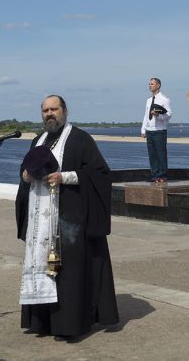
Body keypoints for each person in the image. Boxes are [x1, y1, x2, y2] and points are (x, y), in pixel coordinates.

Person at [15, 95, 119, 338]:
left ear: (65, 111)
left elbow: (101, 174)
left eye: (54, 109)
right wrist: (26, 177)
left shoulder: (80, 139)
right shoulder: (37, 140)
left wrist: (65, 177)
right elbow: (26, 172)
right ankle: (42, 322)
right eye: (45, 110)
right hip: (39, 220)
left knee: (69, 273)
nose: (49, 114)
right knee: (41, 267)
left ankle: (69, 324)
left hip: (69, 220)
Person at [141, 77, 172, 183]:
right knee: (152, 155)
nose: (150, 85)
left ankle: (162, 175)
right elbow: (146, 116)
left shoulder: (164, 99)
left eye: (152, 84)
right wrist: (143, 130)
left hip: (159, 130)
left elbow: (168, 115)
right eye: (149, 84)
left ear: (158, 85)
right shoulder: (148, 100)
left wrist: (158, 116)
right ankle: (155, 176)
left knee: (161, 154)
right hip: (149, 130)